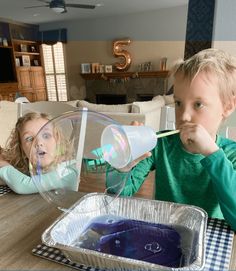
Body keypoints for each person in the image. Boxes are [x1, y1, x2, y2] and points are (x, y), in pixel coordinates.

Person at [107, 48, 236, 230]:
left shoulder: (231, 155)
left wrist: (212, 154)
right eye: (178, 103)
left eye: (198, 104)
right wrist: (122, 164)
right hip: (165, 235)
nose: (184, 116)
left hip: (210, 244)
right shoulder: (160, 144)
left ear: (228, 106)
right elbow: (117, 194)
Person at [0, 112, 78, 194]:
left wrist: (4, 165)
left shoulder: (67, 172)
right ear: (22, 150)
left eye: (46, 136)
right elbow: (10, 180)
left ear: (58, 141)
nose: (38, 142)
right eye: (29, 139)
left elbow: (24, 186)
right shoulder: (31, 167)